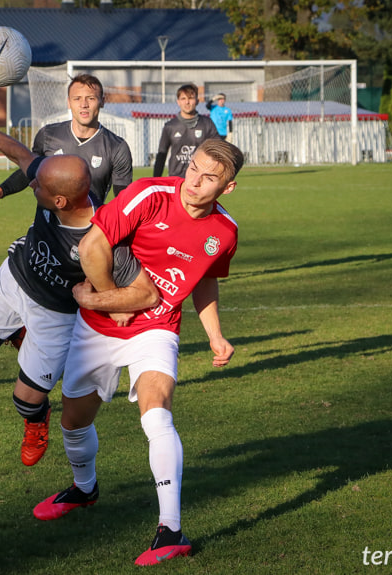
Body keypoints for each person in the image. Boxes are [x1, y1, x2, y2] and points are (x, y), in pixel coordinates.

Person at [34, 138, 245, 566]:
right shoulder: (151, 195)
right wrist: (115, 303)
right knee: (74, 421)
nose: (195, 183)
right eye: (194, 169)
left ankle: (171, 531)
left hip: (159, 327)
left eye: (209, 179)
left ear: (227, 188)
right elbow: (92, 245)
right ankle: (84, 488)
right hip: (99, 327)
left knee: (157, 411)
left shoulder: (225, 232)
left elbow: (204, 278)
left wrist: (215, 334)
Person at [0, 117, 158, 467]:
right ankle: (18, 332)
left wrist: (102, 302)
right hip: (15, 278)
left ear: (60, 200)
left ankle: (36, 422)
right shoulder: (55, 181)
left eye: (39, 189)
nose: (33, 188)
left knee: (26, 400)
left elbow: (147, 294)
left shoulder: (103, 239)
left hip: (55, 314)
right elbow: (22, 157)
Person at [0, 73, 132, 220]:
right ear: (69, 102)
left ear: (102, 101)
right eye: (77, 98)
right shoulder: (48, 135)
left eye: (91, 98)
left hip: (88, 232)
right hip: (47, 231)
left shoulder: (117, 147)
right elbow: (28, 171)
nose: (84, 104)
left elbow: (123, 202)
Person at [153, 83, 219, 178]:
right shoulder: (170, 126)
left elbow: (218, 150)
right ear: (178, 102)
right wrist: (156, 179)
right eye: (183, 99)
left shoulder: (207, 124)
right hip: (176, 179)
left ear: (197, 101)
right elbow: (161, 155)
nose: (187, 102)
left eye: (191, 98)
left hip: (200, 178)